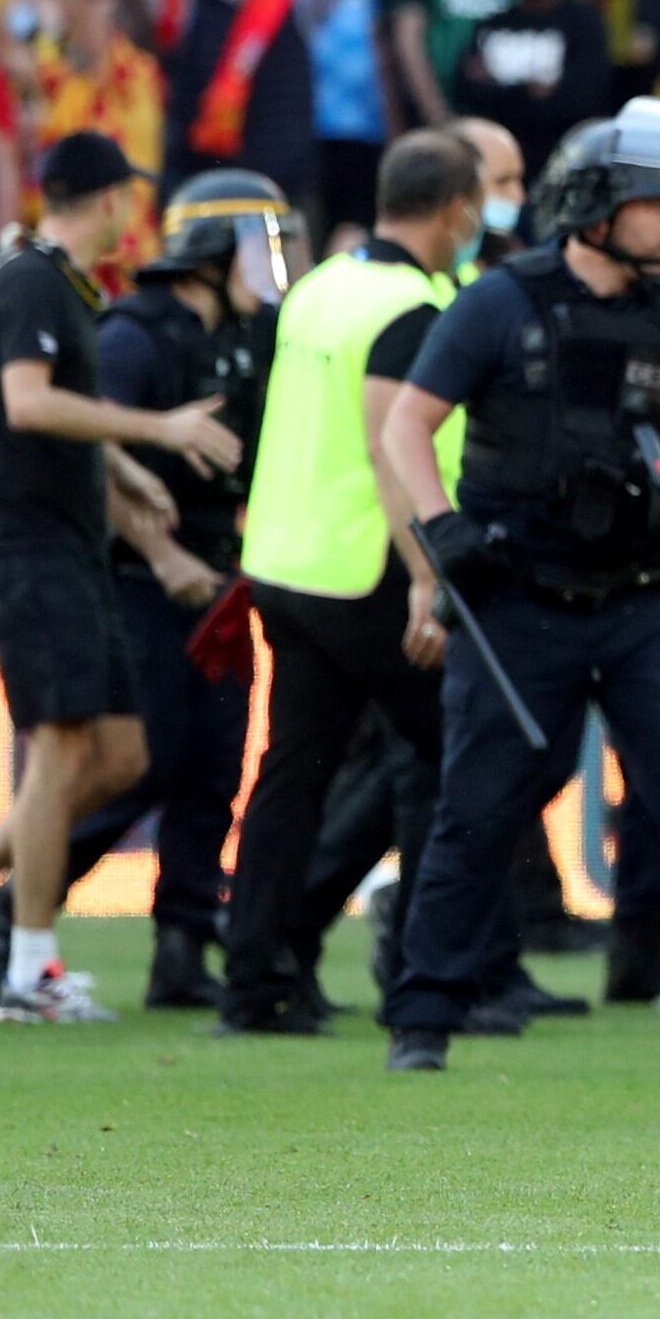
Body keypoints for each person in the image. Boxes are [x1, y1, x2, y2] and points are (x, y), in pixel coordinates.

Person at [372, 99, 660, 1077]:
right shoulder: (499, 302)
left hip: (647, 602)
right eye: (659, 203)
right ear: (594, 208)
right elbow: (407, 423)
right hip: (518, 600)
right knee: (478, 804)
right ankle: (425, 1014)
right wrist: (440, 535)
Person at [0, 134, 245, 1023]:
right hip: (29, 543)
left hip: (70, 539)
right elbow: (26, 402)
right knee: (64, 747)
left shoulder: (61, 287)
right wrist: (155, 431)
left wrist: (116, 465)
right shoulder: (32, 280)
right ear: (107, 200)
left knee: (123, 754)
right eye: (125, 196)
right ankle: (29, 971)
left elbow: (55, 415)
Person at [209, 126, 482, 1036]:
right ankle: (434, 976)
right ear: (456, 210)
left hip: (288, 561)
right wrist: (423, 576)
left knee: (292, 772)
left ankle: (257, 974)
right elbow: (383, 446)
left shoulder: (322, 286)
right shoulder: (411, 306)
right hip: (366, 567)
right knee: (467, 761)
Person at [60, 170, 299, 1011]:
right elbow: (93, 454)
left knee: (213, 767)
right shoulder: (134, 335)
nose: (276, 264)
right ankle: (13, 916)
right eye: (262, 243)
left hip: (218, 577)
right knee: (140, 764)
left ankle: (183, 950)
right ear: (212, 249)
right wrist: (162, 556)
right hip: (140, 575)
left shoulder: (254, 334)